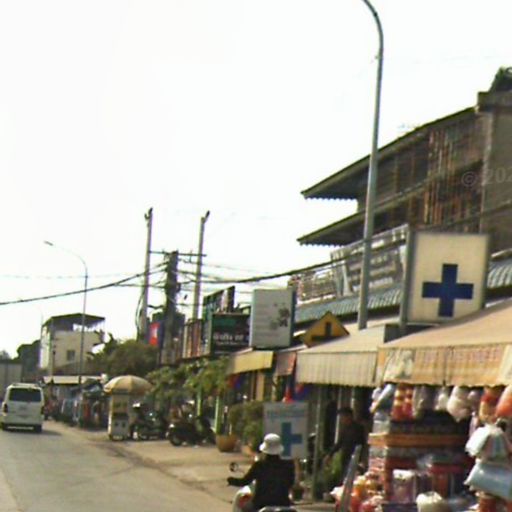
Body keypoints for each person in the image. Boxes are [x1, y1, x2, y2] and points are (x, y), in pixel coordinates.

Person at [227, 433, 295, 512]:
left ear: (264, 450)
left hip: (260, 504)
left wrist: (231, 480)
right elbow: (290, 483)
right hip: (283, 504)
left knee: (244, 507)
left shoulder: (259, 465)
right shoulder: (288, 465)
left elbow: (245, 481)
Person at [323, 407, 366, 483]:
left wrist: (362, 460)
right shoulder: (345, 429)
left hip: (355, 460)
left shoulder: (358, 429)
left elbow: (362, 445)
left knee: (352, 480)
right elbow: (339, 443)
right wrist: (330, 455)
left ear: (349, 416)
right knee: (345, 480)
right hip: (345, 459)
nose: (341, 420)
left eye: (342, 417)